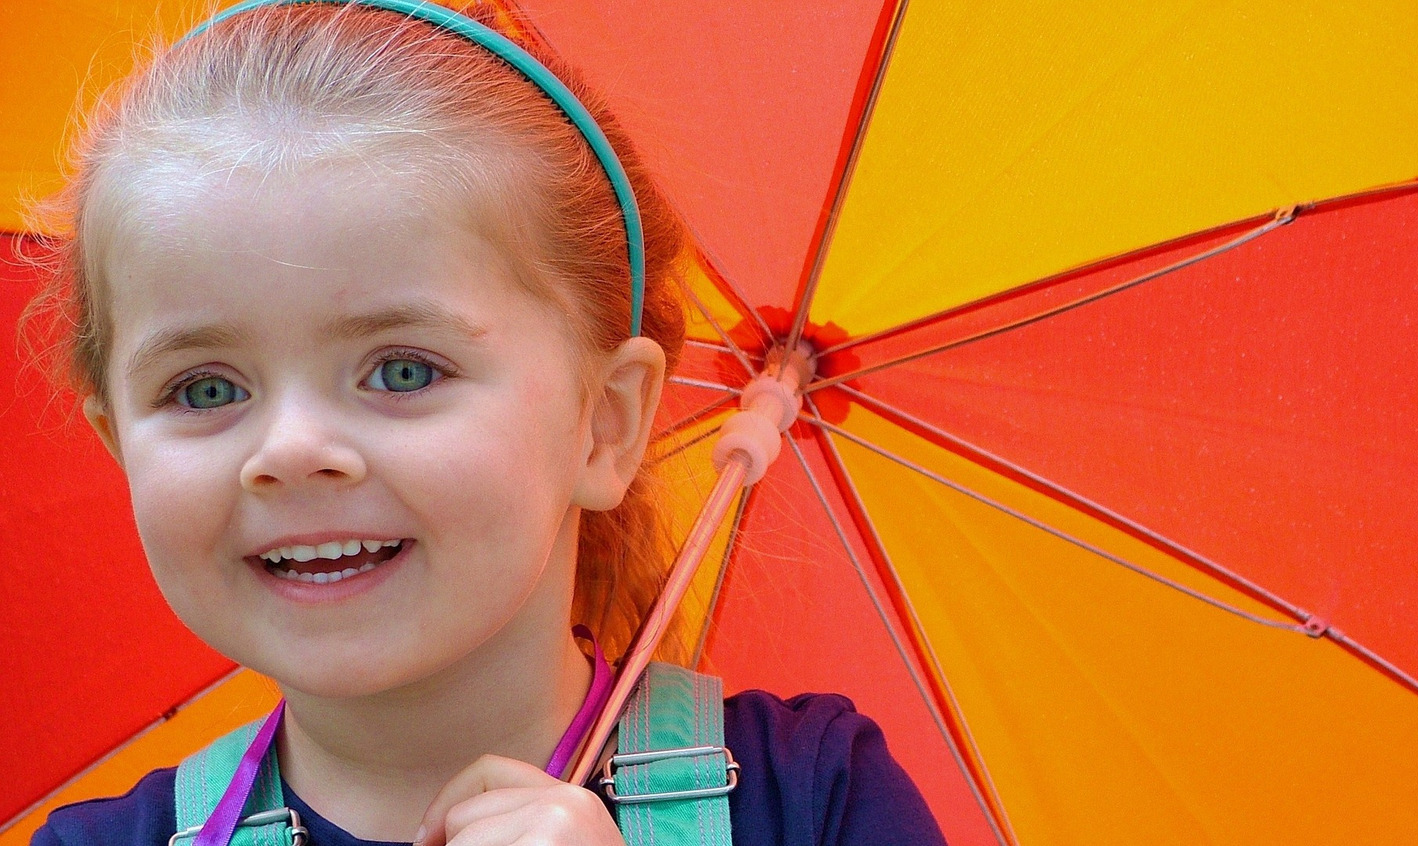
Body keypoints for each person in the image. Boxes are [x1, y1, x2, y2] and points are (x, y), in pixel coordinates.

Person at [25, 1, 947, 844]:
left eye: (402, 369)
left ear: (604, 425)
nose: (291, 449)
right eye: (206, 390)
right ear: (119, 444)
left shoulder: (819, 800)